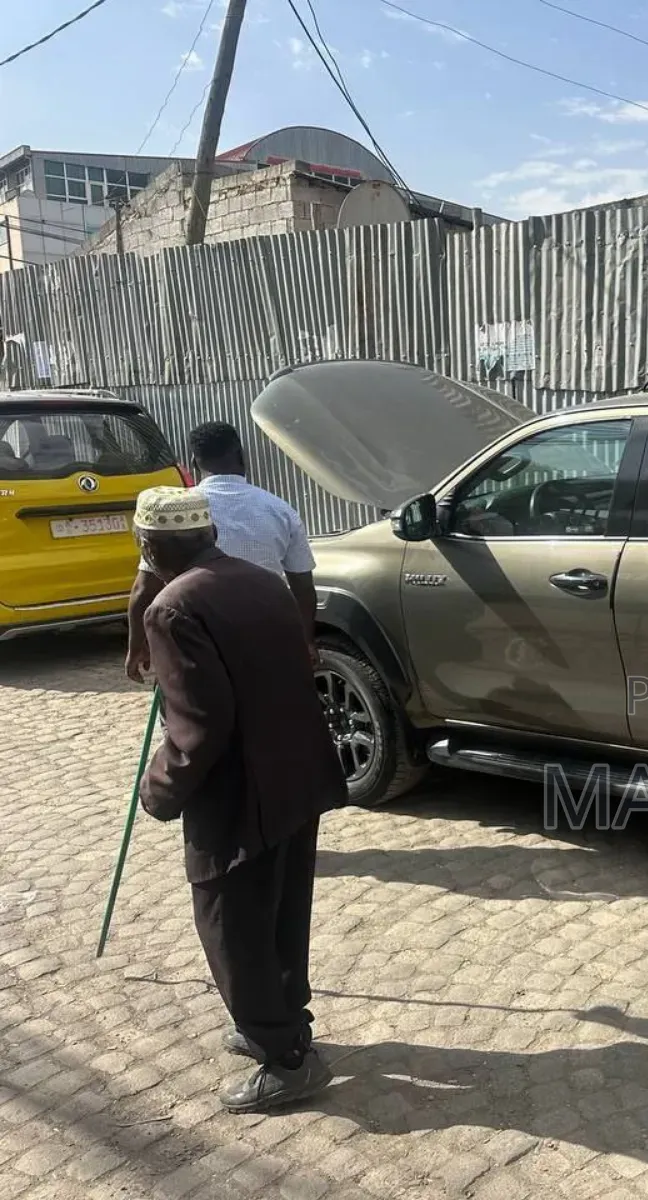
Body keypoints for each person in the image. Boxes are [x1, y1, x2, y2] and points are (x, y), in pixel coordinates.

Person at [133, 485, 347, 1113]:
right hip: (295, 775)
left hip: (239, 792)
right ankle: (284, 1018)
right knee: (280, 908)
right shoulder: (259, 580)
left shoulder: (171, 609)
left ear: (149, 545)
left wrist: (159, 787)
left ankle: (283, 1057)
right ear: (209, 535)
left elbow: (200, 726)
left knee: (230, 923)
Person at [126, 421, 318, 683]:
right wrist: (305, 640)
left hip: (196, 639)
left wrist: (137, 646)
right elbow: (303, 587)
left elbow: (143, 590)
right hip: (265, 636)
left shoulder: (177, 513)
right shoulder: (280, 510)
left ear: (194, 462)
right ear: (241, 455)